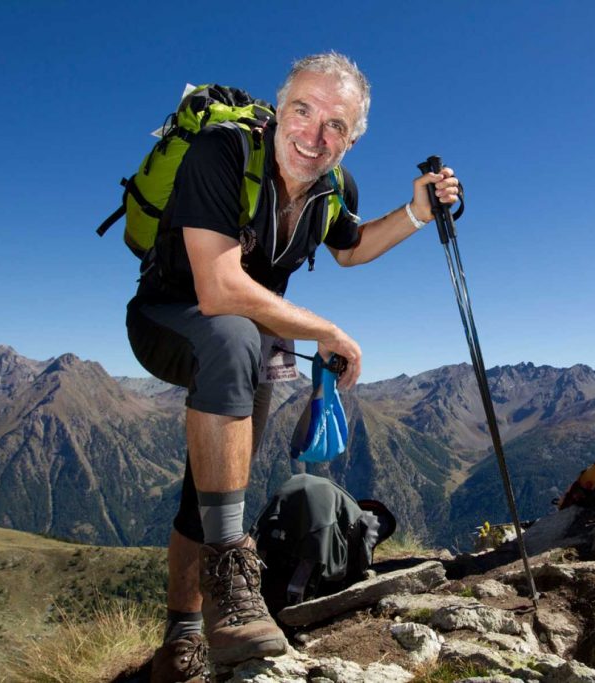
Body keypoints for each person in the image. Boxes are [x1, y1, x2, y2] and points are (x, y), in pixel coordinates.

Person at [126, 52, 460, 682]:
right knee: (231, 337)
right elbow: (219, 290)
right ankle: (231, 581)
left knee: (208, 491)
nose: (314, 134)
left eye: (337, 124)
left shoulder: (336, 189)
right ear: (281, 110)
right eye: (303, 110)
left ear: (353, 138)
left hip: (248, 344)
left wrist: (416, 211)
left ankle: (182, 641)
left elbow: (352, 249)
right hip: (168, 316)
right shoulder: (224, 153)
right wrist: (327, 330)